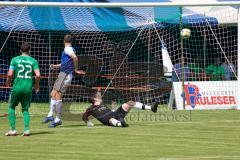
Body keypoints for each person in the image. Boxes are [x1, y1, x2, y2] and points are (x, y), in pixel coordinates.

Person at [42, 34, 85, 128]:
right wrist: (56, 66)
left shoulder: (68, 49)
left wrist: (76, 69)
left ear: (64, 41)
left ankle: (57, 119)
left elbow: (75, 58)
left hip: (65, 74)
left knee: (57, 95)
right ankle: (50, 115)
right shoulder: (69, 49)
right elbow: (66, 62)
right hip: (64, 74)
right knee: (53, 93)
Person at [5, 42, 40, 136]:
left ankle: (13, 130)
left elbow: (10, 74)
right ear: (29, 51)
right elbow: (38, 75)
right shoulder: (33, 61)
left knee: (12, 107)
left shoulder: (15, 59)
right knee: (25, 109)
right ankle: (26, 130)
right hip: (28, 88)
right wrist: (36, 85)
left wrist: (8, 81)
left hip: (17, 87)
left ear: (20, 50)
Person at [82, 91, 159, 127]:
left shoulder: (103, 104)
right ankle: (121, 124)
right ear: (95, 99)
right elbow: (84, 116)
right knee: (111, 120)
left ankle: (151, 108)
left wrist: (113, 108)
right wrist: (88, 123)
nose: (101, 96)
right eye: (99, 96)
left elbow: (111, 112)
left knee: (130, 102)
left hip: (115, 114)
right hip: (110, 120)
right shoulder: (91, 108)